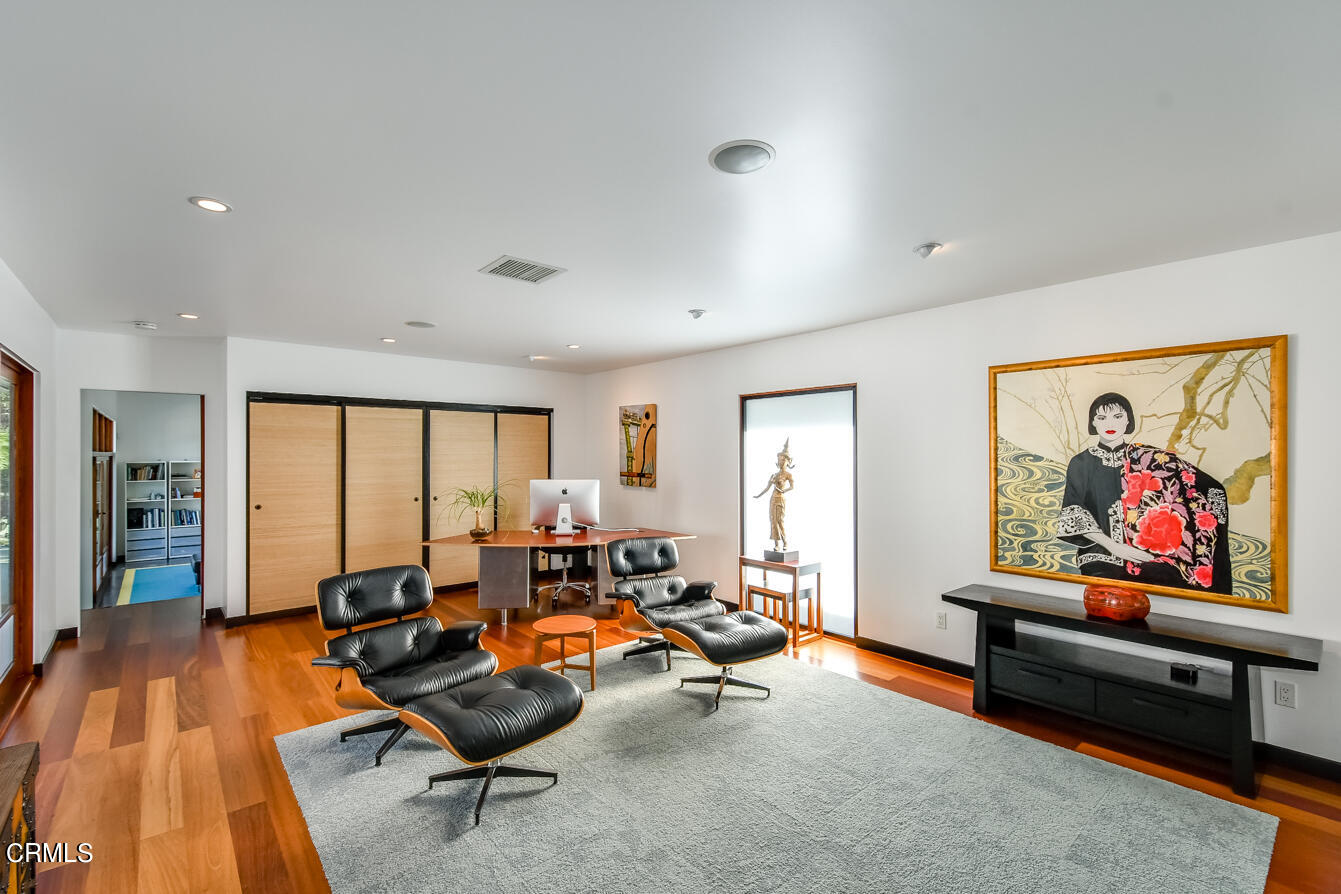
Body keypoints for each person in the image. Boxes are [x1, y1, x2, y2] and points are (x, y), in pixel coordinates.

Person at [1057, 392, 1232, 594]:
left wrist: (1214, 505)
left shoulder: (1149, 457)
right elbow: (1073, 511)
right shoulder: (1082, 462)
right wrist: (1115, 547)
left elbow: (1197, 483)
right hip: (1100, 556)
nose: (1109, 423)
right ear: (1093, 423)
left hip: (1149, 556)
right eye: (1102, 418)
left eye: (1118, 416)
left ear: (1128, 420)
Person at [754, 439, 795, 551]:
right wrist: (758, 495)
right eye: (779, 459)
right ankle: (776, 544)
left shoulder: (788, 475)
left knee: (780, 520)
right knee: (773, 521)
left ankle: (785, 542)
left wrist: (783, 491)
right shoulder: (775, 475)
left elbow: (792, 487)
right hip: (773, 499)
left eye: (783, 460)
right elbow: (767, 488)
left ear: (787, 461)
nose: (781, 462)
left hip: (781, 499)